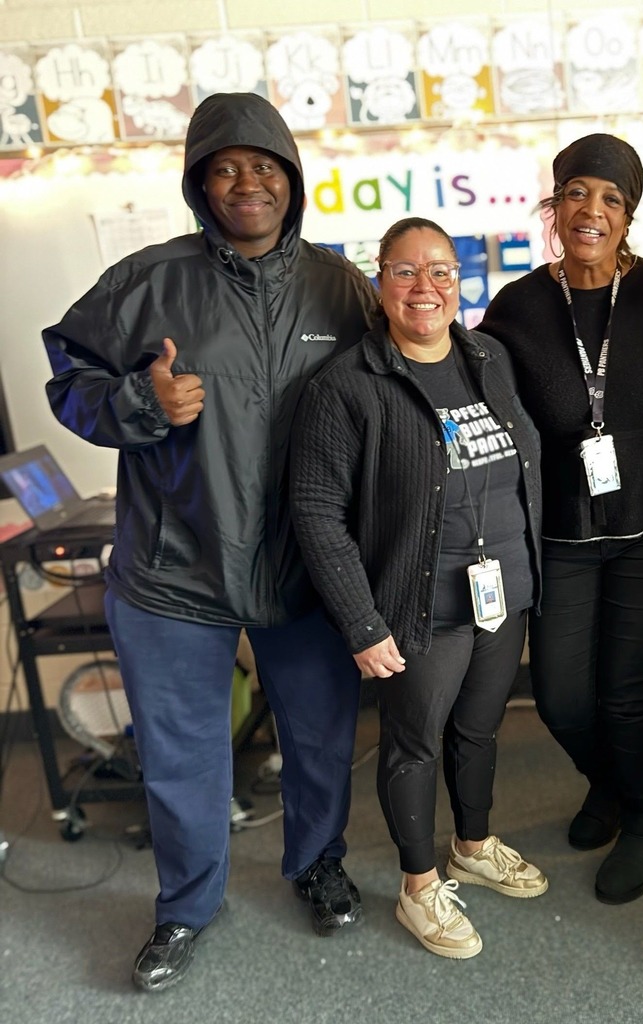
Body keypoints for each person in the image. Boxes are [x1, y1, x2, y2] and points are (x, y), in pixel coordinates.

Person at [42, 92, 378, 991]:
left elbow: (385, 400)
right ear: (199, 183)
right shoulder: (147, 282)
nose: (246, 182)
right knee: (183, 751)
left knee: (318, 736)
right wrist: (137, 404)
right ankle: (186, 906)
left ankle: (315, 863)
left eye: (263, 165)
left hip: (304, 563)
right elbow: (67, 378)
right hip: (173, 567)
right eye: (224, 167)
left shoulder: (340, 287)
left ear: (291, 179)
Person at [290, 216, 547, 960]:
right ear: (379, 283)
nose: (424, 287)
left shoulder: (488, 357)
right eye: (405, 272)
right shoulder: (347, 384)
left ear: (458, 281)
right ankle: (418, 884)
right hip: (418, 603)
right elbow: (314, 510)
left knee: (479, 729)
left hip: (502, 588)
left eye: (439, 271)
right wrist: (363, 624)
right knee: (413, 744)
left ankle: (472, 842)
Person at [480, 134, 643, 904]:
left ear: (627, 216)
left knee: (622, 692)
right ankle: (608, 782)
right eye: (578, 192)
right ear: (555, 205)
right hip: (564, 531)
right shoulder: (516, 305)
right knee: (560, 698)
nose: (592, 210)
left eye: (611, 199)